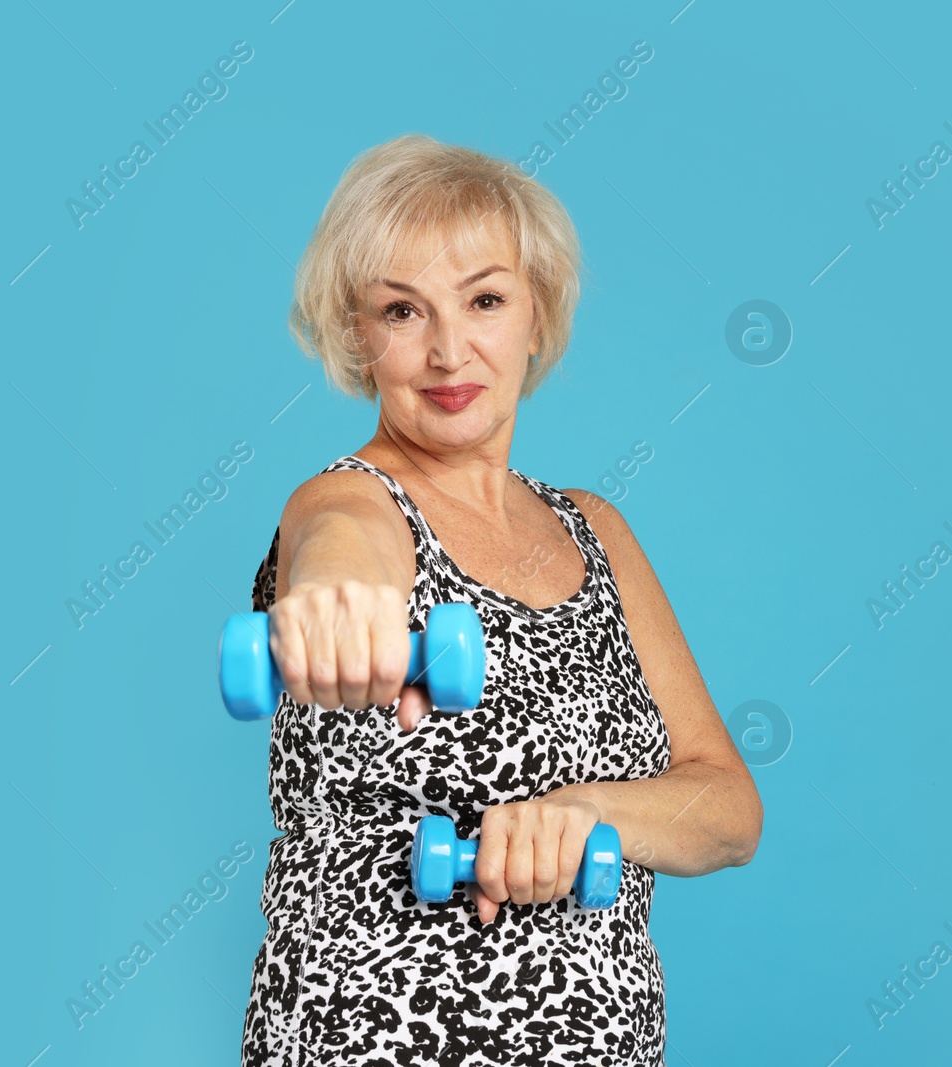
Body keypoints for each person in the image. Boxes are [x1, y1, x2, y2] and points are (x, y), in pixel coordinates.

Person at [239, 133, 763, 1067]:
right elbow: (340, 553)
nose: (448, 350)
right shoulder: (350, 499)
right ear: (357, 333)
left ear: (537, 314)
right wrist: (334, 612)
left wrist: (583, 811)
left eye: (484, 299)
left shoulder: (596, 530)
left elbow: (727, 810)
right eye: (402, 310)